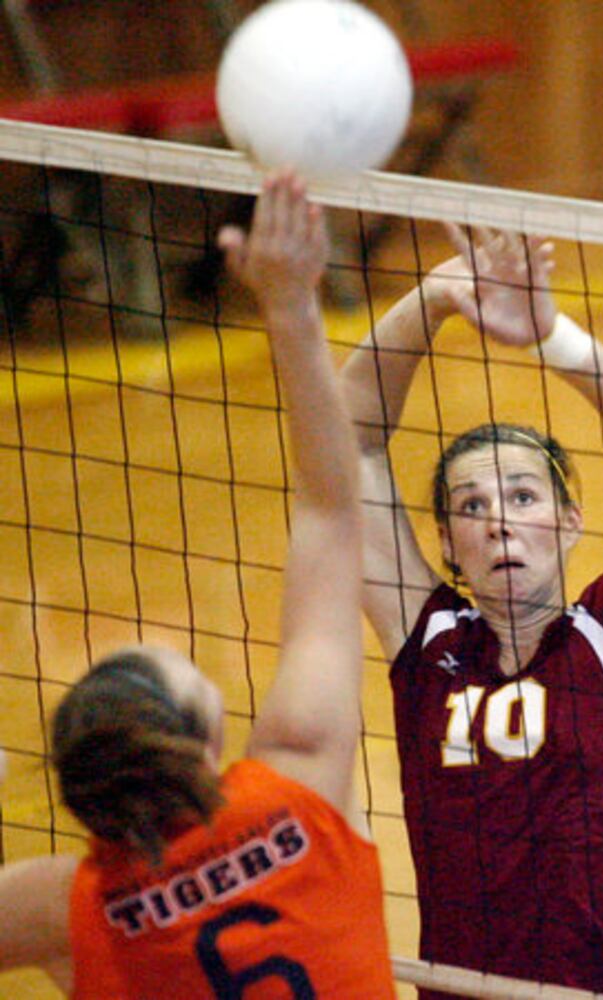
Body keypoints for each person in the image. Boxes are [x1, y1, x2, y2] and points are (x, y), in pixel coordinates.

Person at [0, 171, 397, 1000]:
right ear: (206, 741)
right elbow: (331, 511)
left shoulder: (67, 904)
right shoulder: (301, 782)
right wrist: (289, 307)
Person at [340, 226, 603, 999]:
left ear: (568, 521)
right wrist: (434, 298)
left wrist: (551, 338)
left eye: (521, 496)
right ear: (447, 542)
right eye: (471, 506)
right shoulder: (427, 643)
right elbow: (347, 440)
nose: (499, 523)